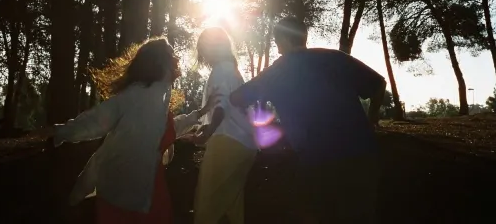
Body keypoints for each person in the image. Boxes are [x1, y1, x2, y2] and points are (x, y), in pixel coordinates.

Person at [33, 37, 219, 224]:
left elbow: (169, 129)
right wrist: (61, 131)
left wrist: (201, 112)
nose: (177, 58)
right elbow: (95, 121)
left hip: (151, 190)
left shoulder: (160, 101)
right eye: (171, 54)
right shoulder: (134, 97)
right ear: (159, 62)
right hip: (121, 193)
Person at [229, 17, 386, 224]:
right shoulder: (335, 58)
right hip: (361, 155)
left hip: (317, 161)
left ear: (284, 39)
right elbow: (379, 84)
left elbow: (237, 97)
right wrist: (372, 117)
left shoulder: (277, 71)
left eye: (277, 42)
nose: (277, 48)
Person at [185, 27, 258, 224]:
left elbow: (221, 105)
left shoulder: (221, 70)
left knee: (205, 206)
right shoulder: (233, 70)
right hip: (246, 144)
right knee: (231, 206)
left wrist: (207, 133)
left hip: (227, 142)